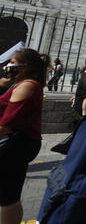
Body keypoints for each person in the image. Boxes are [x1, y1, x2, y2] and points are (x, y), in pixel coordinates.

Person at [0, 49, 48, 224]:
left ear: (25, 66)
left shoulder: (27, 86)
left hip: (17, 143)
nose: (8, 65)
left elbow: (7, 124)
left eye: (13, 62)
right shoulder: (19, 84)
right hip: (19, 141)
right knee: (8, 194)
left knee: (8, 196)